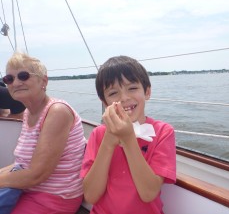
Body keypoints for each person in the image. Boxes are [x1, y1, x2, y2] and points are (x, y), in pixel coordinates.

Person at [80, 56, 176, 214]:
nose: (124, 98)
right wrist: (109, 142)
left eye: (132, 88)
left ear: (147, 91)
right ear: (104, 102)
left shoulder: (163, 132)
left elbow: (148, 193)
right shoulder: (98, 134)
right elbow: (91, 196)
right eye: (113, 93)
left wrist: (128, 139)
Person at [0, 52, 86, 214]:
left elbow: (37, 174)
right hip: (26, 190)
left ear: (44, 81)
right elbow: (23, 164)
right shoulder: (28, 112)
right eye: (9, 79)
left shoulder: (57, 112)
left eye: (23, 76)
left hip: (54, 197)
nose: (16, 82)